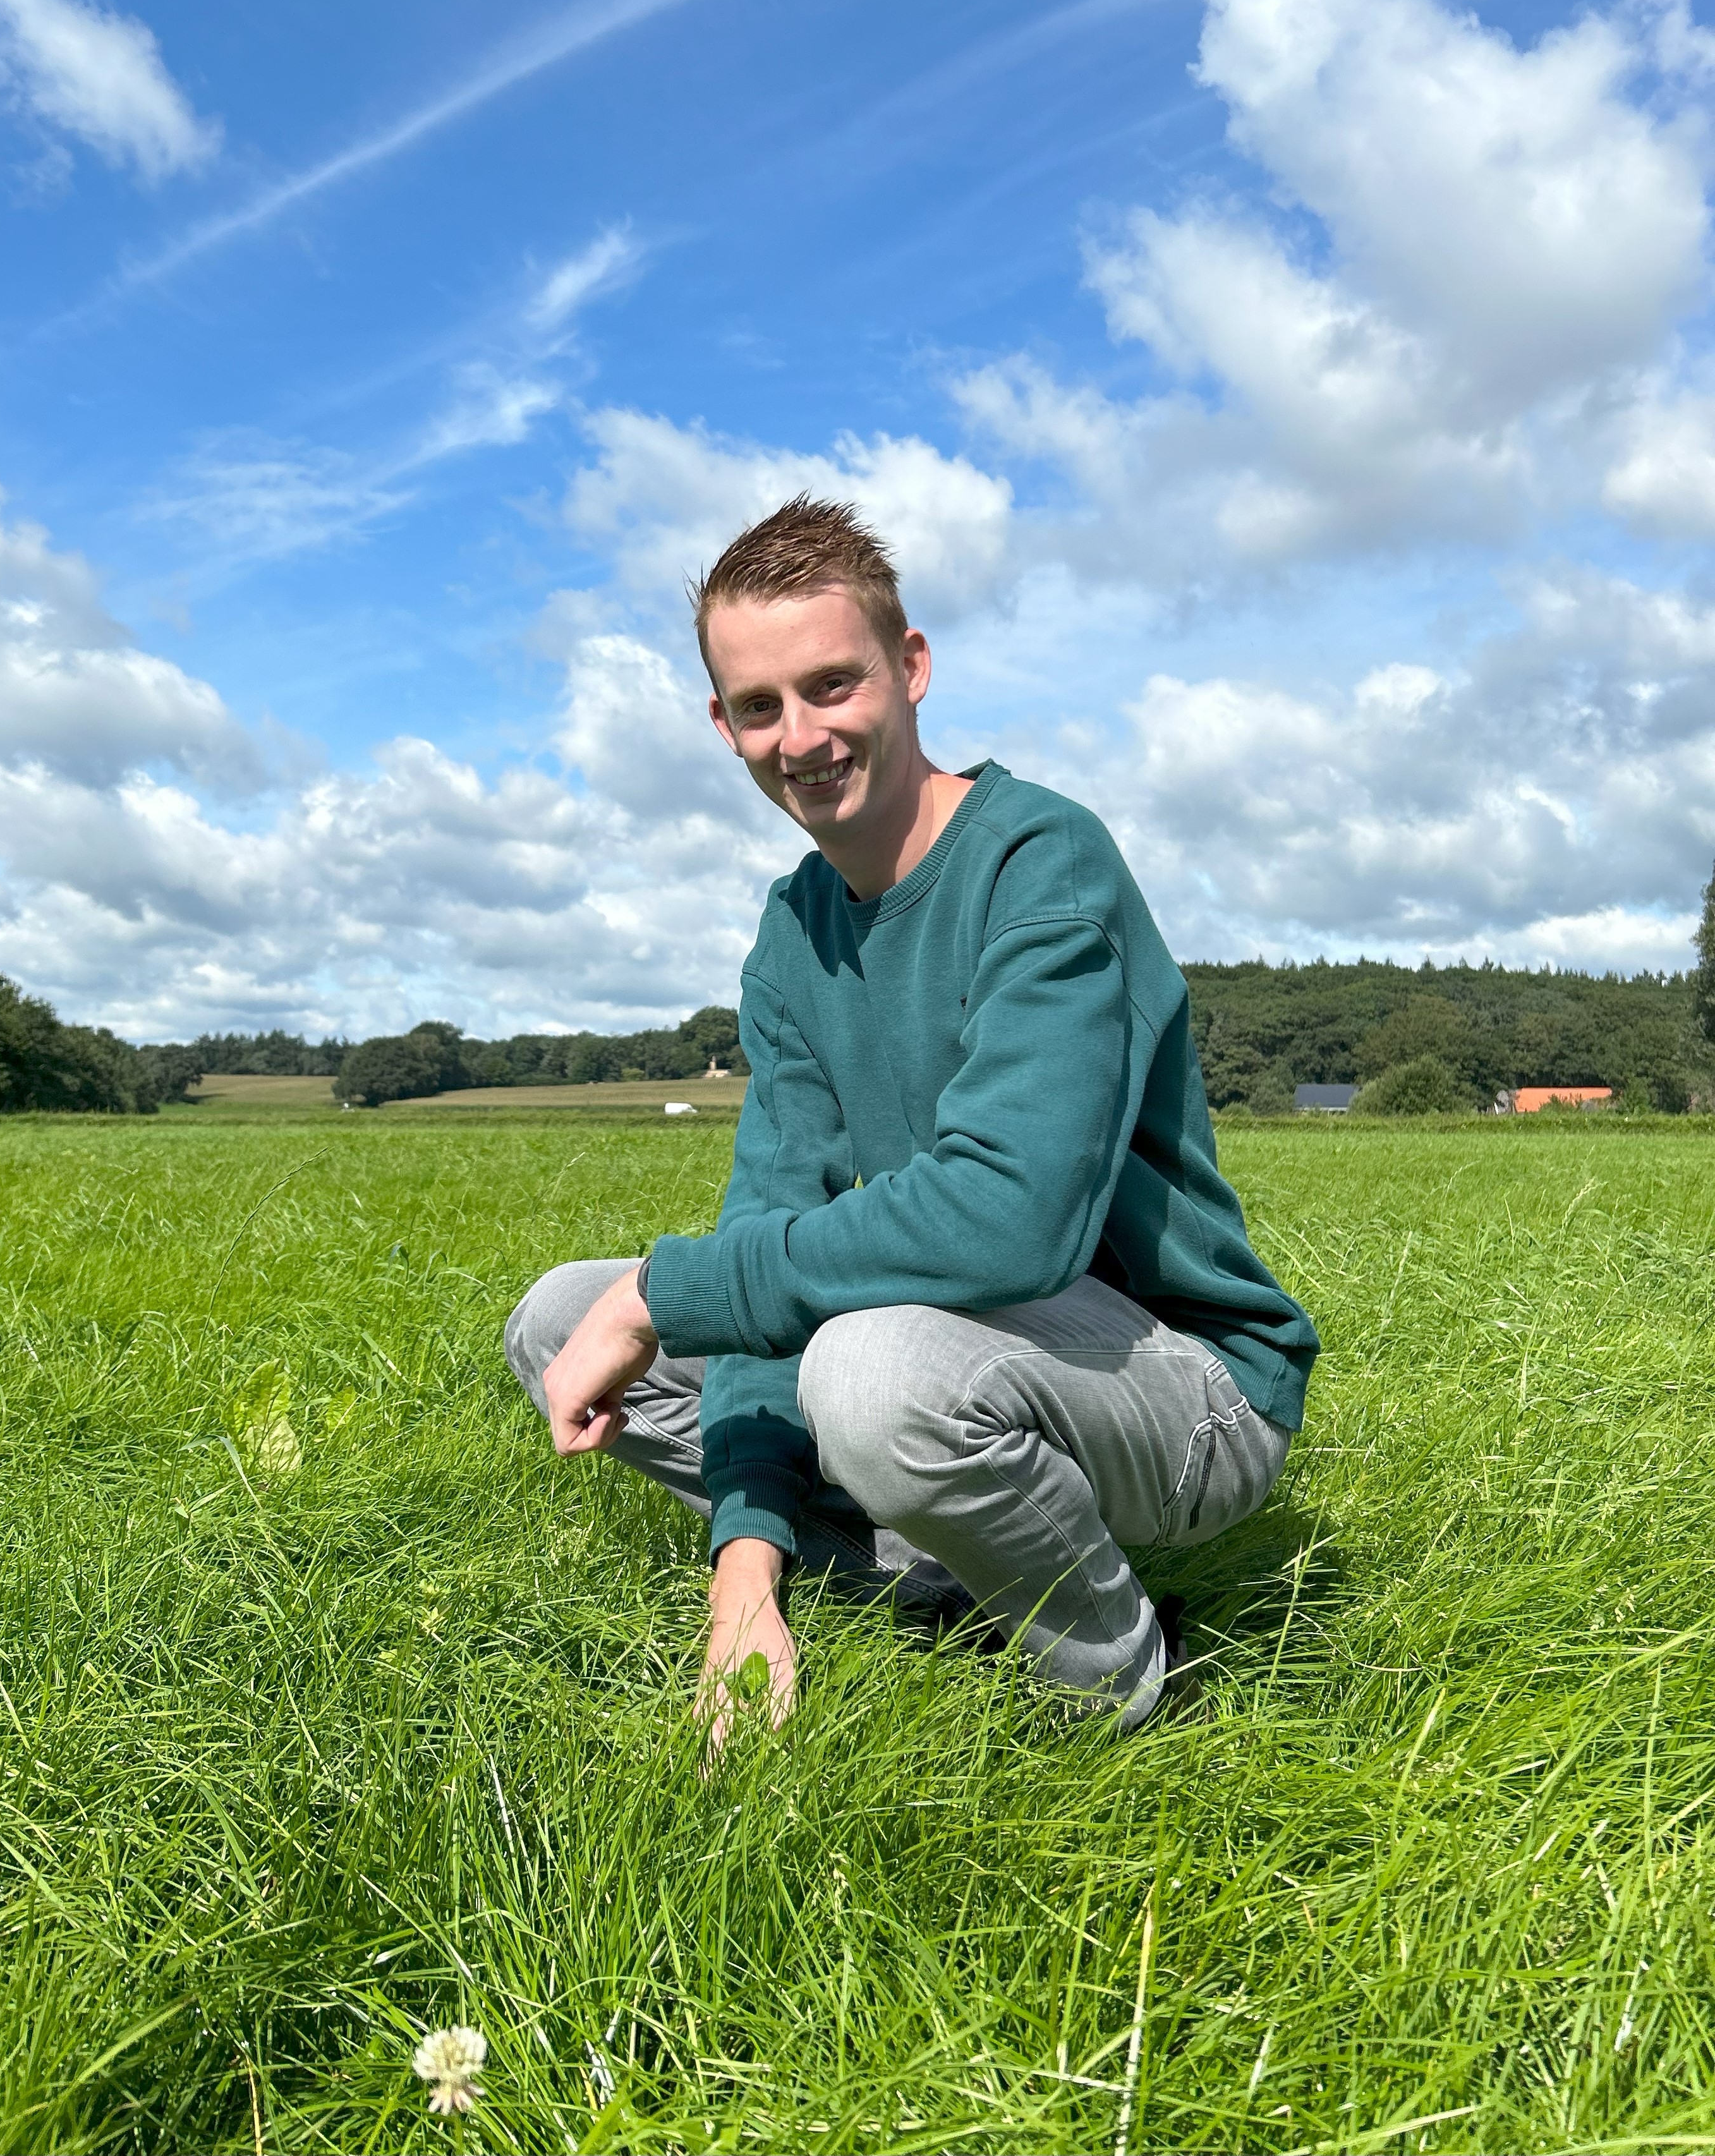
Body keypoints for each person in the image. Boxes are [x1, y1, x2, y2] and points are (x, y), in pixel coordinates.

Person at [504, 496, 1318, 1743]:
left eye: (835, 684)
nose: (804, 735)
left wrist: (659, 1295)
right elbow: (777, 1232)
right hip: (967, 1354)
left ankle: (1125, 1683)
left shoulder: (1041, 862)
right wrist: (743, 1568)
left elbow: (1012, 1218)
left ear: (913, 666)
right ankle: (929, 1573)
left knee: (864, 1366)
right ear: (722, 725)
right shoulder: (792, 939)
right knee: (559, 1316)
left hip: (1180, 1382)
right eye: (761, 706)